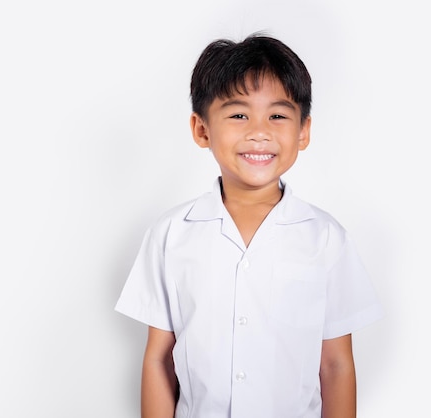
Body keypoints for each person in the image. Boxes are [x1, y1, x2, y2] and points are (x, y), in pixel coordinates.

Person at [114, 33, 383, 418]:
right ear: (201, 129)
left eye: (277, 115)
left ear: (303, 130)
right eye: (239, 114)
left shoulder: (326, 239)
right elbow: (159, 360)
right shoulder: (171, 235)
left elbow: (336, 366)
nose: (260, 131)